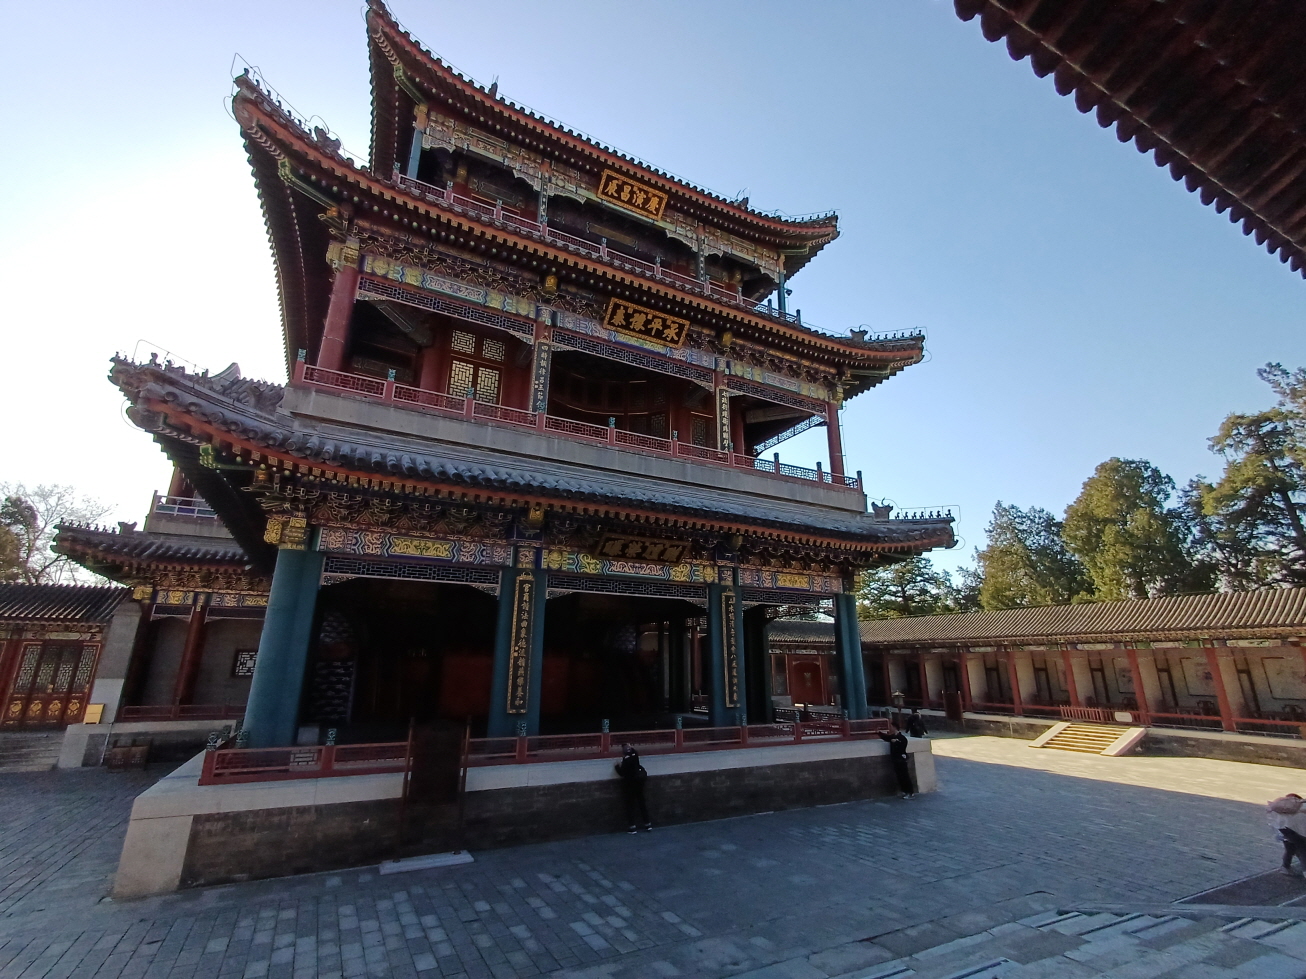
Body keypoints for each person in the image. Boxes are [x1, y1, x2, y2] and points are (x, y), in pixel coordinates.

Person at [615, 743, 651, 833]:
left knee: (630, 806)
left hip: (630, 785)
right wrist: (630, 747)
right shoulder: (635, 756)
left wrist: (617, 767)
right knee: (642, 804)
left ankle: (632, 827)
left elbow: (622, 773)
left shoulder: (626, 760)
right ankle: (647, 824)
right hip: (639, 784)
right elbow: (634, 751)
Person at [1267, 794, 1306, 876]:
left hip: (1283, 831)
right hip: (1296, 832)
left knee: (1290, 850)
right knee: (1303, 850)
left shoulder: (1283, 807)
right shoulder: (1301, 808)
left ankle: (1285, 867)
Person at [878, 722, 914, 799]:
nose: (890, 728)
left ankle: (910, 792)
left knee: (905, 776)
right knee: (899, 776)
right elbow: (886, 737)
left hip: (901, 760)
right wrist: (879, 733)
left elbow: (903, 747)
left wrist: (897, 742)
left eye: (891, 727)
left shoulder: (902, 738)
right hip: (895, 759)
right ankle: (904, 790)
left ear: (895, 727)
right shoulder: (892, 736)